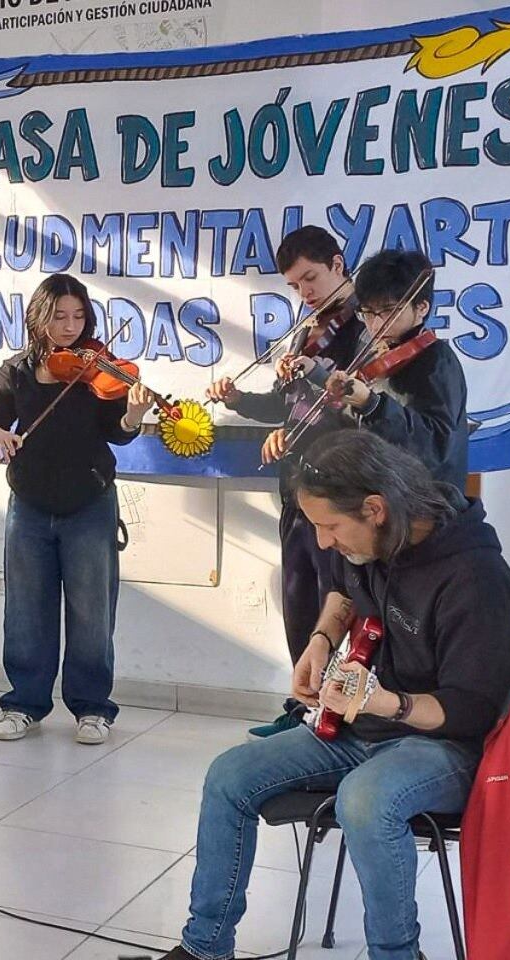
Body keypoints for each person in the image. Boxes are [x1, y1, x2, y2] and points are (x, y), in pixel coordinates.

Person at [160, 430, 510, 960]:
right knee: (228, 776)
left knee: (365, 800)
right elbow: (344, 590)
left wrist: (388, 703)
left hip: (446, 744)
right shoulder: (377, 538)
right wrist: (320, 640)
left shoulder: (476, 578)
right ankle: (205, 947)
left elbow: (474, 708)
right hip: (363, 729)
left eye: (330, 526)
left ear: (375, 508)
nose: (324, 542)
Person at [0, 273, 153, 746]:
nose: (71, 326)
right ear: (40, 317)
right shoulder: (14, 372)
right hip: (29, 504)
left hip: (89, 503)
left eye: (79, 316)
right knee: (26, 609)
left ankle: (93, 708)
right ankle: (24, 704)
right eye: (60, 316)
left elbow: (118, 431)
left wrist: (133, 414)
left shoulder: (96, 370)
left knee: (92, 610)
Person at [206, 226, 365, 738]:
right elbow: (285, 404)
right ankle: (304, 709)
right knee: (298, 599)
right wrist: (237, 401)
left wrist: (312, 390)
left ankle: (338, 714)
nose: (306, 293)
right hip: (296, 487)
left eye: (311, 278)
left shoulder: (366, 331)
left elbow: (355, 413)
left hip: (340, 492)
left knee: (337, 605)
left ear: (339, 264)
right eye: (296, 286)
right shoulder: (307, 331)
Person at [325, 248, 470, 492]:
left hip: (426, 508)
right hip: (386, 502)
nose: (376, 324)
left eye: (389, 311)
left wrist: (372, 405)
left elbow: (434, 446)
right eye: (368, 312)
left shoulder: (436, 360)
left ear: (421, 308)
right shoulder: (380, 353)